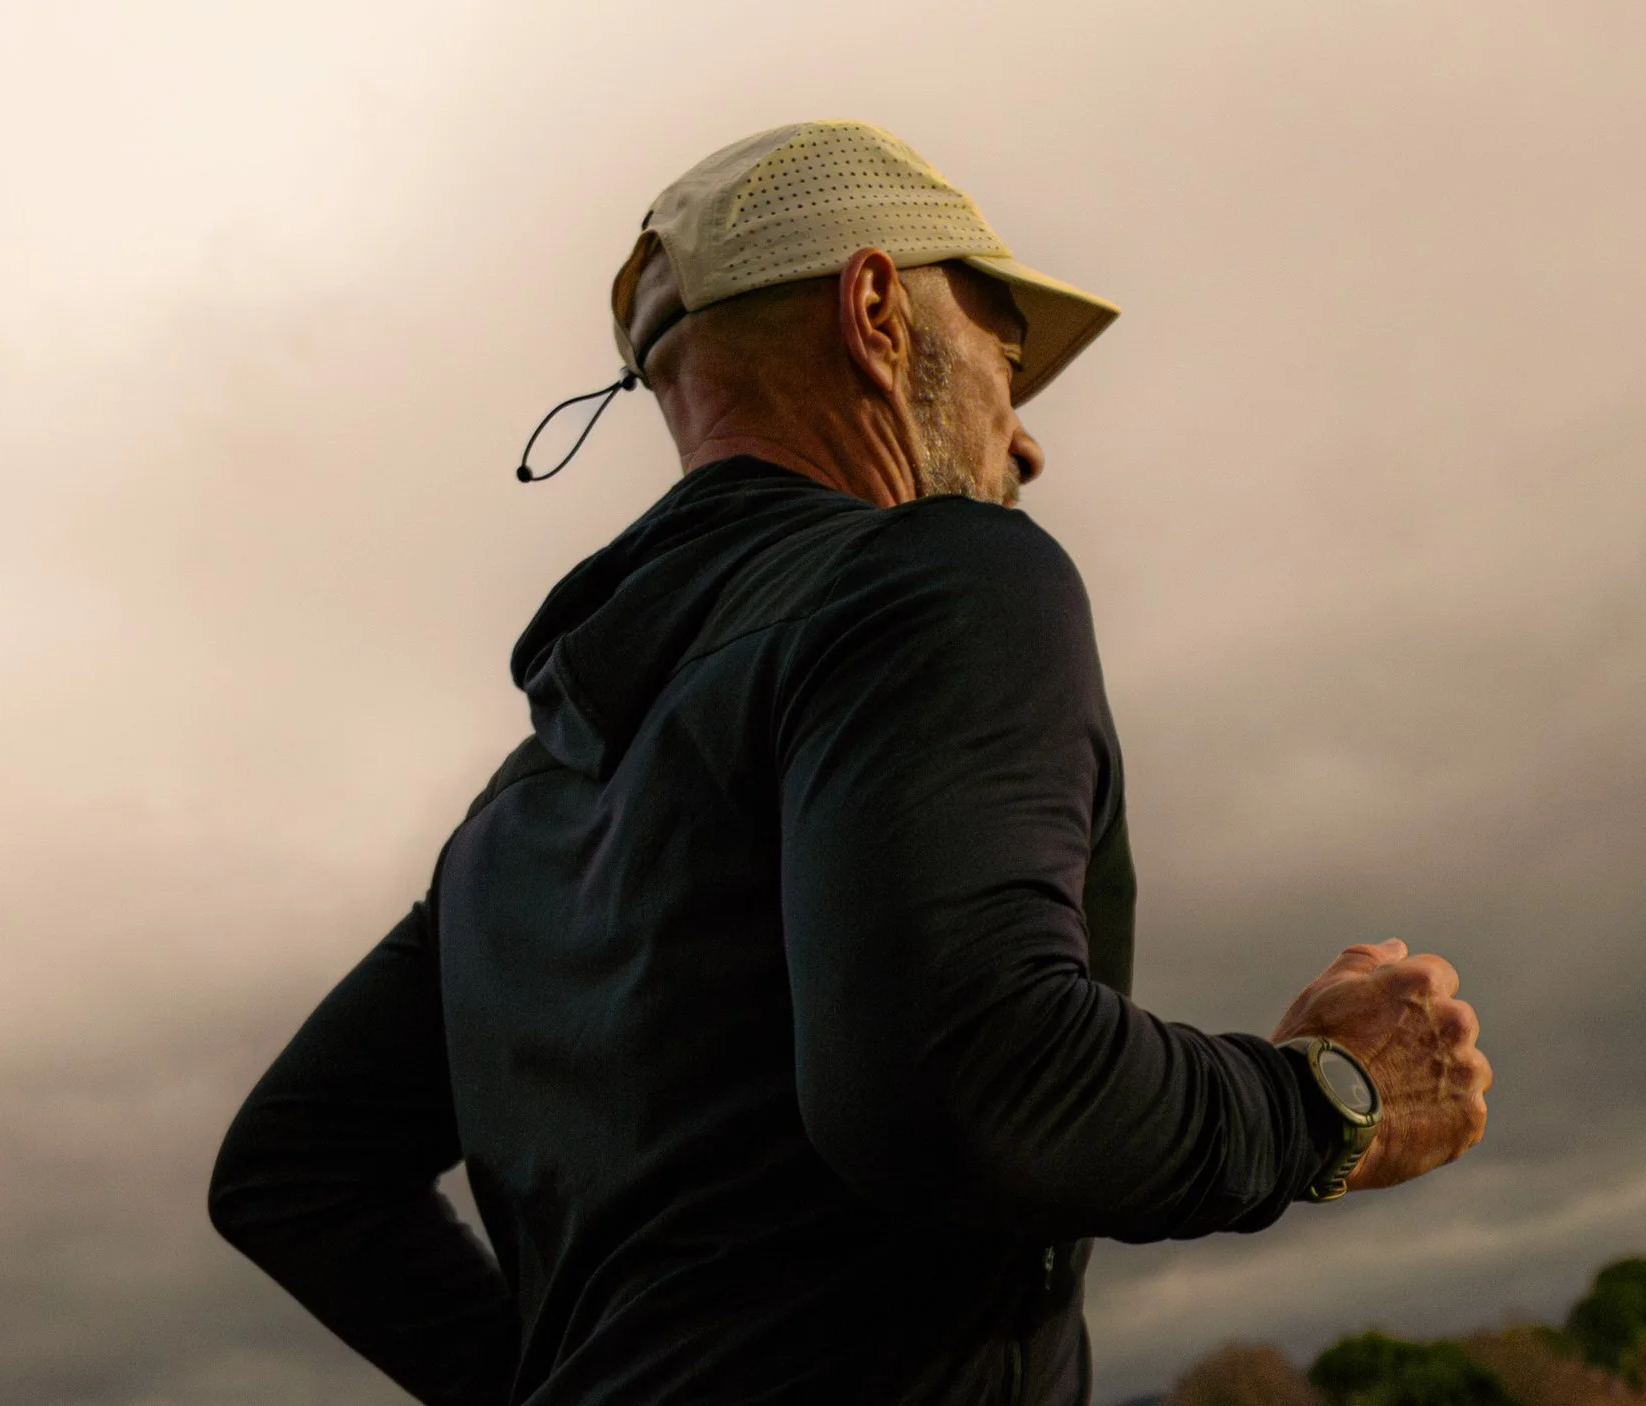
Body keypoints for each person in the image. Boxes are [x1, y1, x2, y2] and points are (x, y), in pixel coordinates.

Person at [208, 120, 1491, 1406]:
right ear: (876, 309)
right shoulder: (937, 575)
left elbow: (296, 1167)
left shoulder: (516, 807)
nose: (1025, 439)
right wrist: (1328, 1101)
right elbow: (974, 1086)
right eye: (1004, 350)